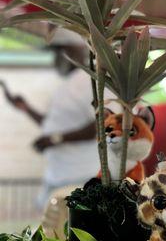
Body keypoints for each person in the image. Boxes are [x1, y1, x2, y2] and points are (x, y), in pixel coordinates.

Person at [2, 45, 99, 208]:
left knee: (60, 226)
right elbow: (53, 125)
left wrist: (55, 139)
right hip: (58, 174)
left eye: (59, 53)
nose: (56, 59)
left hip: (77, 176)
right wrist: (25, 108)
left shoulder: (85, 81)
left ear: (74, 52)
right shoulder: (70, 84)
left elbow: (99, 125)